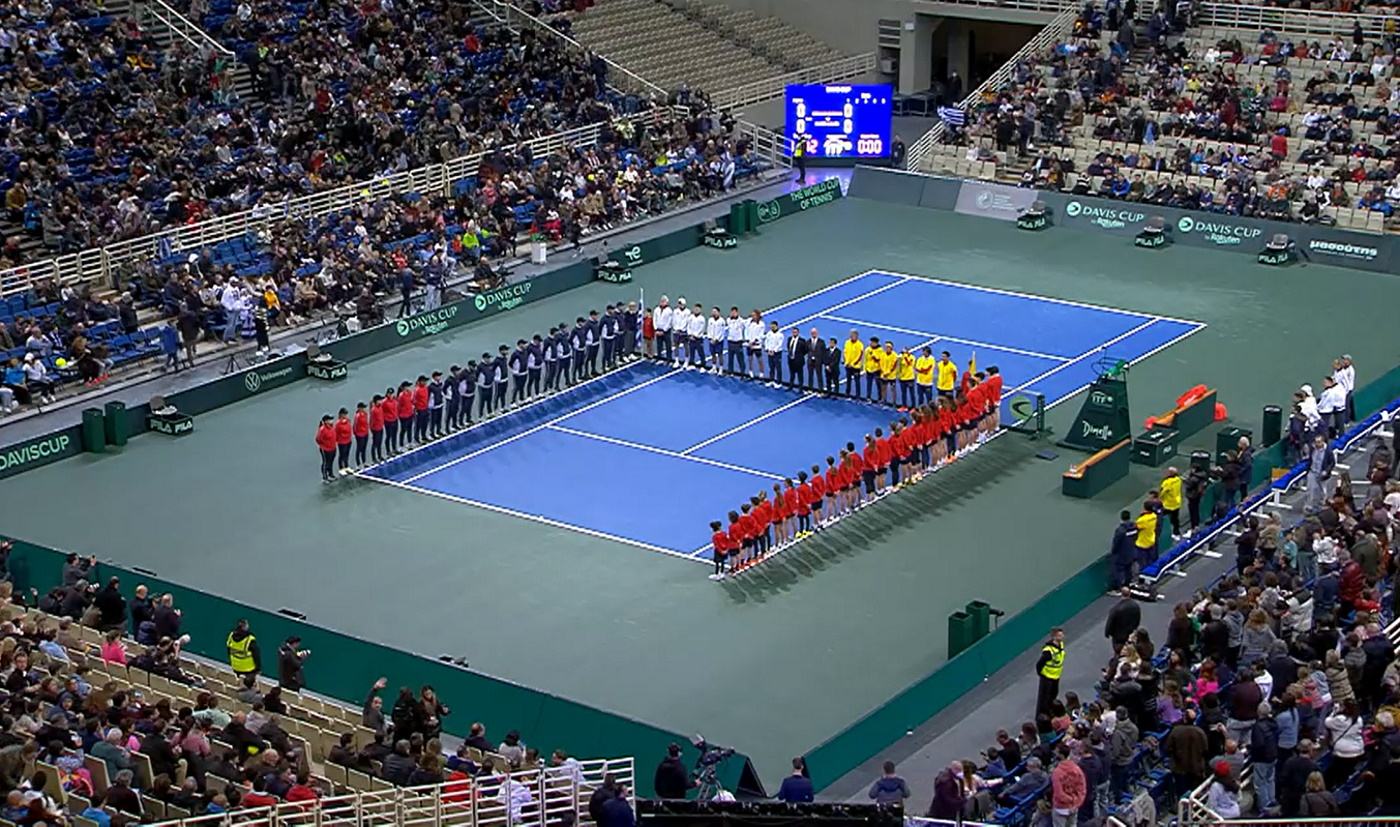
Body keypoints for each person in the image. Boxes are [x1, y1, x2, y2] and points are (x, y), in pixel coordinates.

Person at [1035, 627, 1066, 717]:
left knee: (1053, 695)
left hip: (1056, 676)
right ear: (1054, 637)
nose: (1063, 636)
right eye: (1060, 635)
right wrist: (1041, 673)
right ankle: (1042, 716)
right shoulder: (1048, 651)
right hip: (1047, 677)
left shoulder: (1061, 645)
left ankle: (1051, 712)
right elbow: (1039, 664)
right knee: (1044, 699)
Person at [1104, 587, 1140, 653]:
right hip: (1130, 632)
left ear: (1121, 594)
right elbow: (1138, 619)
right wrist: (1134, 629)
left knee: (1118, 650)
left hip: (1118, 635)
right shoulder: (1135, 606)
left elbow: (1110, 621)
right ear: (1130, 594)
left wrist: (1107, 632)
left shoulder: (1116, 608)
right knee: (1129, 648)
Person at [1110, 510, 1138, 589]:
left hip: (1121, 554)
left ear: (1121, 518)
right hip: (1131, 552)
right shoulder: (1134, 527)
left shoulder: (1120, 530)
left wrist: (1114, 551)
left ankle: (1118, 588)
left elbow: (1116, 542)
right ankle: (1127, 584)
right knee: (1128, 570)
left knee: (1118, 571)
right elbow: (1136, 537)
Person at [315, 415, 336, 483]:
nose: (331, 421)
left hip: (332, 448)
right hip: (325, 449)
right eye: (329, 420)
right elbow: (318, 439)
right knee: (325, 463)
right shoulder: (322, 429)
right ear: (326, 421)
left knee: (331, 462)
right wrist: (324, 445)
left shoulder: (332, 427)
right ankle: (325, 477)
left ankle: (330, 474)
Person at [334, 408, 353, 476]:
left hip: (348, 440)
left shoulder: (348, 421)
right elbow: (336, 433)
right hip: (342, 442)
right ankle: (341, 468)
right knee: (342, 455)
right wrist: (338, 440)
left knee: (347, 454)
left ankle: (346, 466)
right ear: (341, 415)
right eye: (344, 414)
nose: (345, 415)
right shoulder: (338, 424)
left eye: (346, 414)